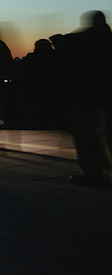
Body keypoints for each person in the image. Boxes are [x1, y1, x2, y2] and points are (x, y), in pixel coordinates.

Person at [53, 11, 112, 189]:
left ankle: (97, 175)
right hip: (104, 98)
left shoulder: (82, 42)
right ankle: (103, 173)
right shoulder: (105, 41)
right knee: (102, 137)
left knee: (89, 137)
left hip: (86, 98)